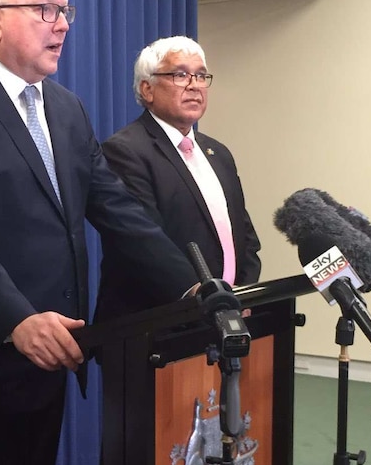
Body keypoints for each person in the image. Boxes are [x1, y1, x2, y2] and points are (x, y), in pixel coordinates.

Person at [0, 0, 201, 465]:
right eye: (45, 10)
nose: (62, 24)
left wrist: (193, 285)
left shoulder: (66, 108)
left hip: (52, 356)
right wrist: (17, 319)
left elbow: (117, 210)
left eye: (65, 11)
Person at [96, 36, 261, 320]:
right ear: (147, 89)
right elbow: (143, 243)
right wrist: (201, 296)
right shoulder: (126, 150)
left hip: (226, 318)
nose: (195, 85)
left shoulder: (217, 153)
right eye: (180, 75)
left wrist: (245, 292)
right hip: (159, 325)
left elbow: (244, 237)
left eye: (200, 75)